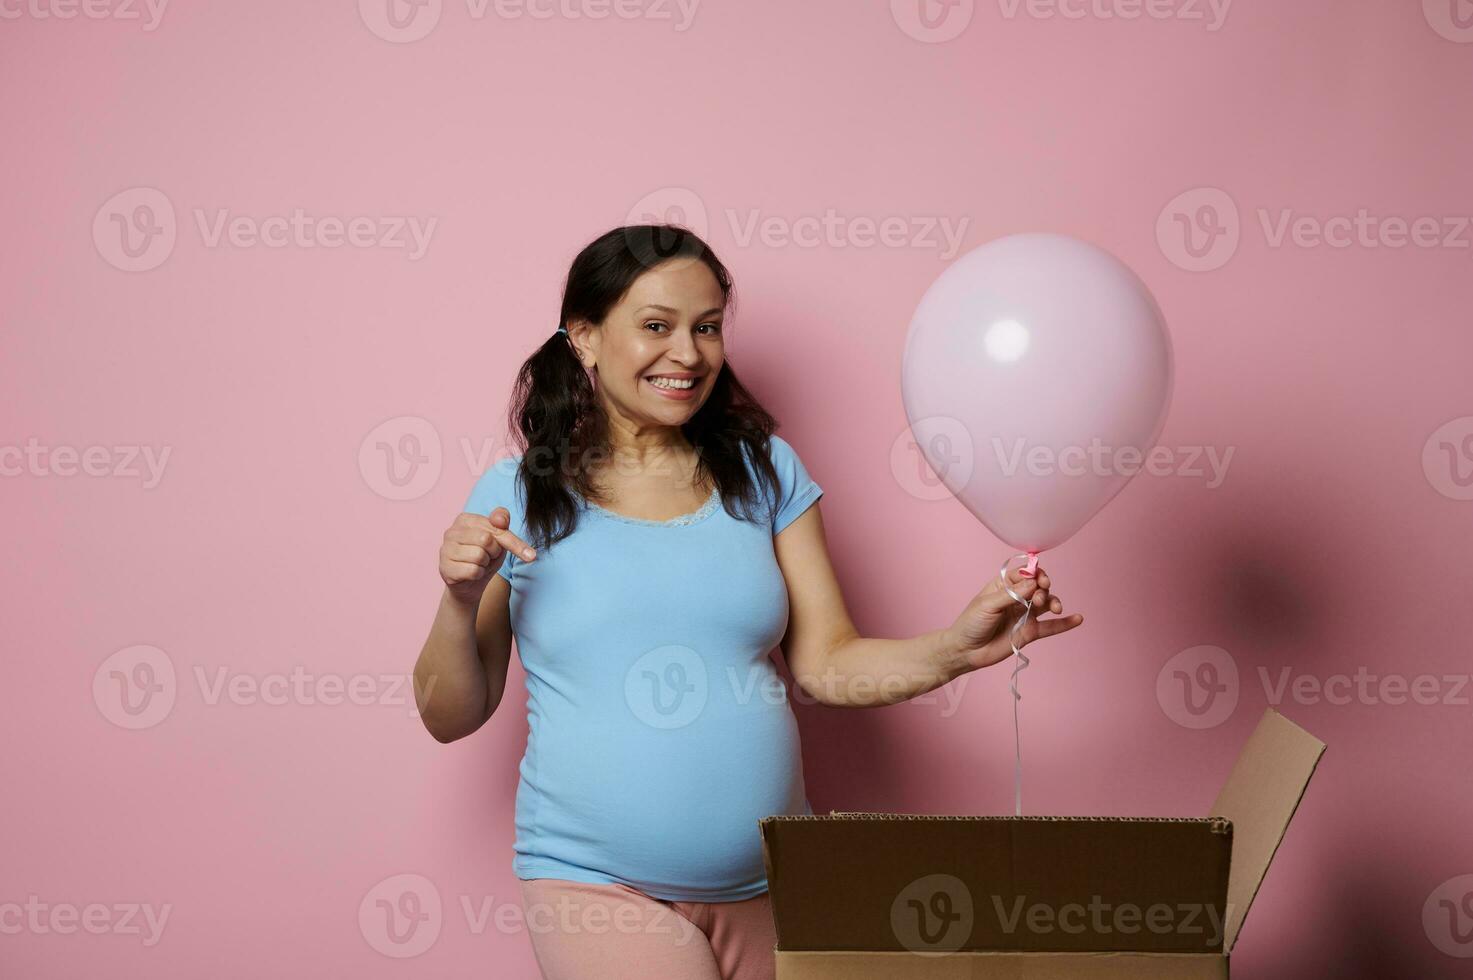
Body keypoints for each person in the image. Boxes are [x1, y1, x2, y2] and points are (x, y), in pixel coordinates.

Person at [412, 224, 1084, 980]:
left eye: (705, 328)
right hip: (594, 881)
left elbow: (829, 664)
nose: (689, 354)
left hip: (778, 882)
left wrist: (956, 648)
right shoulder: (517, 494)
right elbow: (450, 715)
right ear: (585, 338)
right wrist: (457, 601)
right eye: (656, 327)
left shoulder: (765, 470)